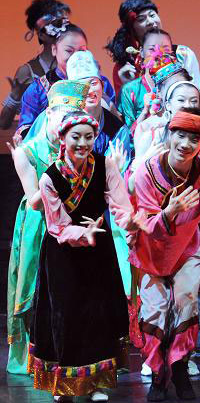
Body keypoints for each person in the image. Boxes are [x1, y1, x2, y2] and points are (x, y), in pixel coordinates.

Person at [29, 111, 141, 402]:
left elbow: (120, 204)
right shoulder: (50, 178)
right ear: (63, 139)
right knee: (65, 314)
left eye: (88, 137)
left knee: (98, 312)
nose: (83, 143)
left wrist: (130, 221)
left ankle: (97, 383)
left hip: (97, 250)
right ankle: (64, 386)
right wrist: (82, 233)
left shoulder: (105, 165)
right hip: (63, 253)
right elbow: (57, 225)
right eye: (76, 137)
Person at [131, 108, 200, 401]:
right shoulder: (147, 172)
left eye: (194, 139)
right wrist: (170, 212)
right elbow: (148, 225)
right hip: (152, 252)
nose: (186, 144)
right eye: (180, 135)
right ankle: (158, 374)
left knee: (186, 303)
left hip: (187, 250)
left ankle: (179, 368)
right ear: (169, 135)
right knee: (155, 311)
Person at [5, 80, 89, 375]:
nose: (66, 127)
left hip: (71, 222)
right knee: (39, 288)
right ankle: (37, 355)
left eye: (72, 121)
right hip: (40, 225)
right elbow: (34, 201)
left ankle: (73, 352)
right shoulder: (27, 152)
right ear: (49, 114)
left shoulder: (80, 149)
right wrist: (63, 169)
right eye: (61, 118)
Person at [18, 24, 115, 137]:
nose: (76, 56)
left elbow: (115, 122)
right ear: (54, 50)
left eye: (82, 50)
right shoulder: (38, 89)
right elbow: (25, 130)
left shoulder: (99, 83)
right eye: (69, 51)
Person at [25, 50, 123, 154]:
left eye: (93, 83)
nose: (89, 91)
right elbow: (32, 152)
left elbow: (118, 161)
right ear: (72, 89)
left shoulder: (116, 128)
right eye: (81, 86)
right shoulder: (55, 116)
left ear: (102, 85)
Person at [105, 0, 200, 95]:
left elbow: (196, 98)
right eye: (141, 19)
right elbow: (124, 105)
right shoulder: (125, 68)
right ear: (131, 29)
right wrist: (128, 86)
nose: (150, 22)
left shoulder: (183, 54)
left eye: (152, 15)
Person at [0, 0, 70, 130]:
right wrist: (14, 96)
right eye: (57, 24)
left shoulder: (75, 64)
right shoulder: (27, 71)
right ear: (41, 34)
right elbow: (4, 124)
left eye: (66, 23)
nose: (64, 29)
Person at [118, 30, 193, 128]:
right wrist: (145, 111)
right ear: (141, 52)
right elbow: (128, 134)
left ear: (172, 52)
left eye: (165, 49)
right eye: (152, 49)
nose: (159, 54)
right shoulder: (130, 90)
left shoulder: (180, 84)